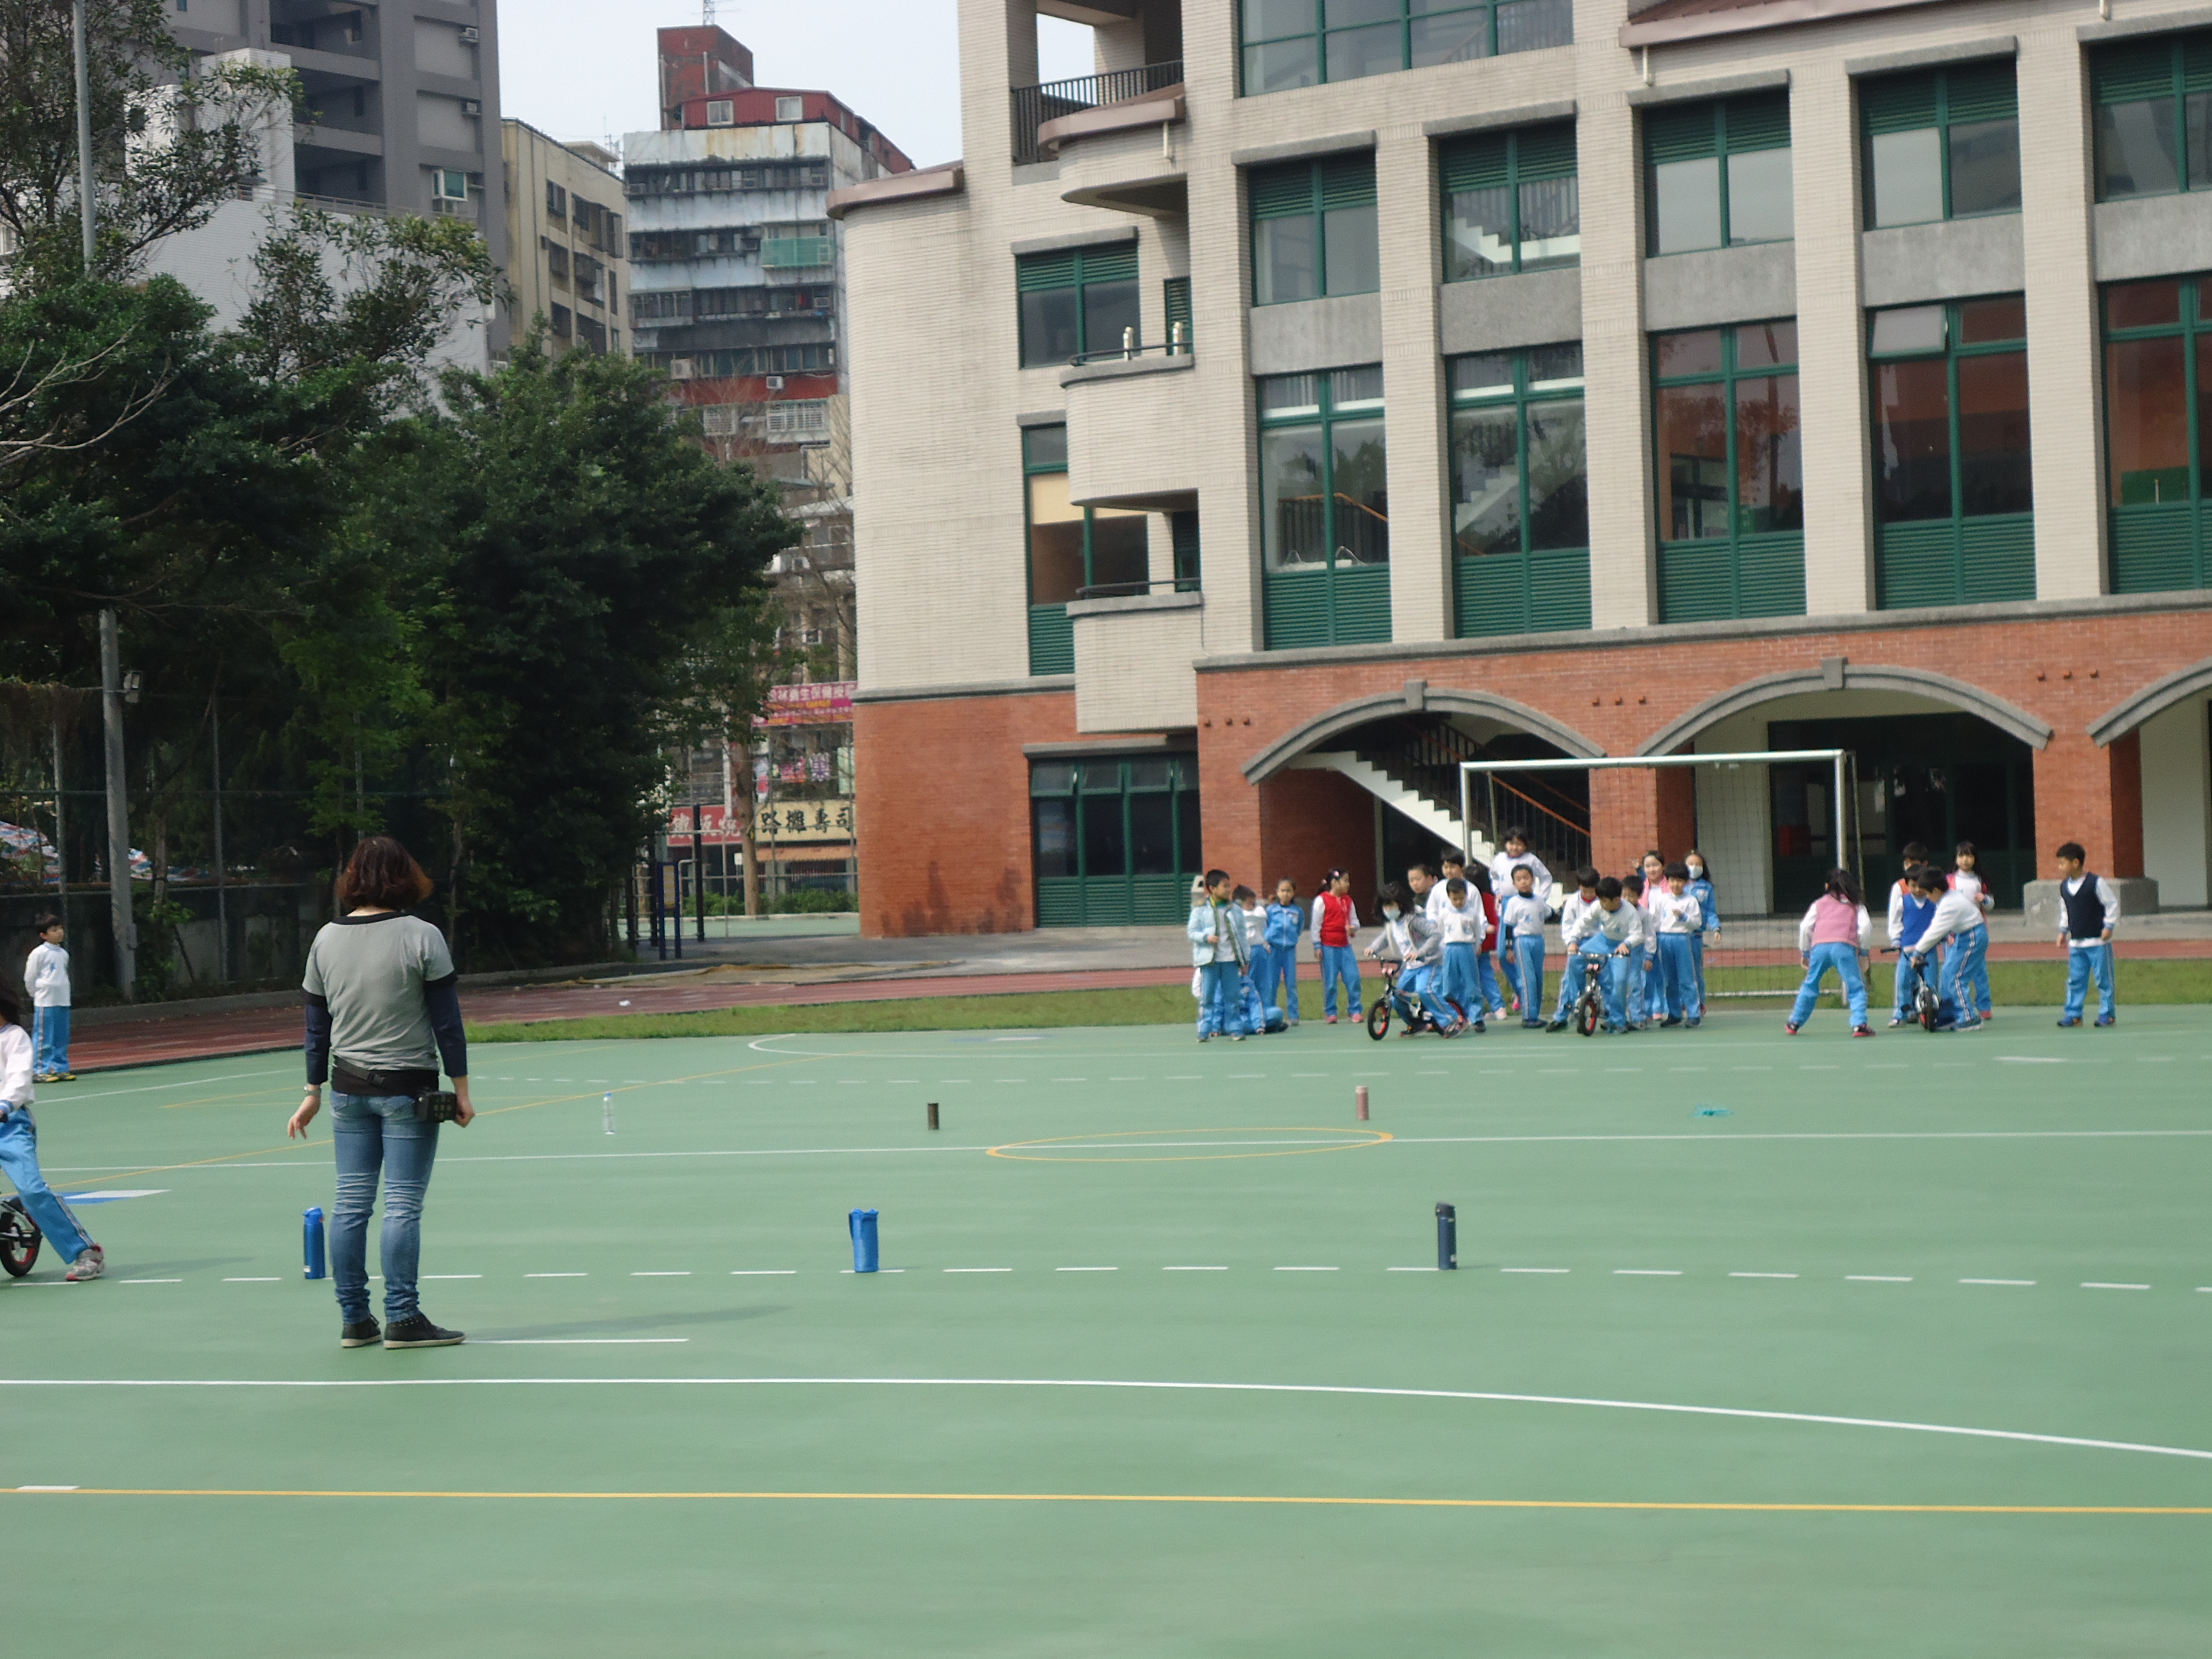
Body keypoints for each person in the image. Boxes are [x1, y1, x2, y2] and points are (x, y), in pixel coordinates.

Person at [287, 836, 475, 1349]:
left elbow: (316, 1027)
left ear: (351, 879)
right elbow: (448, 1024)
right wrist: (461, 1089)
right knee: (402, 1205)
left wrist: (312, 1090)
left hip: (348, 1091)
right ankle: (403, 1317)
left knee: (350, 1205)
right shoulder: (422, 936)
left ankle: (355, 1319)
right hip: (408, 1091)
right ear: (406, 877)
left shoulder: (325, 939)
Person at [0, 987, 103, 1280]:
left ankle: (86, 1252)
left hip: (10, 1125)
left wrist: (5, 1105)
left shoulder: (14, 1037)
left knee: (32, 1190)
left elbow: (20, 1078)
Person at [1787, 868, 1874, 1037]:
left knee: (1810, 984)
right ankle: (1859, 1024)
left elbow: (1805, 927)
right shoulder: (1857, 905)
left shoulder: (1819, 904)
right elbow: (1865, 928)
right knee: (1856, 986)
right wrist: (1863, 952)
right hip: (1844, 947)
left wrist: (1805, 952)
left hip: (1819, 948)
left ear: (1827, 886)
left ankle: (1794, 1022)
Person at [1366, 883, 1458, 1033]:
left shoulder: (1414, 921)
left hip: (1429, 963)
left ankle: (1451, 1020)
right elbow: (1385, 938)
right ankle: (1415, 1023)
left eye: (1391, 905)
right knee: (1398, 998)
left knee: (1424, 990)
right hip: (1411, 966)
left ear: (1400, 904)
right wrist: (1373, 948)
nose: (1388, 909)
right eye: (1385, 906)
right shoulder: (1392, 924)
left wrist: (1421, 952)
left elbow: (1435, 935)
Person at [1553, 876, 1639, 1033]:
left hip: (1620, 946)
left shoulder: (1630, 912)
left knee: (1619, 982)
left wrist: (1626, 944)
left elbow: (1638, 934)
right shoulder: (1598, 906)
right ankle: (1578, 998)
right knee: (1576, 957)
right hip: (1602, 941)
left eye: (1605, 901)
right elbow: (1582, 923)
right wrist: (1573, 941)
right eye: (1600, 900)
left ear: (1616, 900)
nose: (1602, 904)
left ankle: (1617, 1020)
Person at [2053, 841, 2120, 1028]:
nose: (2059, 868)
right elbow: (2066, 911)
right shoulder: (2064, 887)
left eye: (2062, 863)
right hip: (2077, 944)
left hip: (2098, 943)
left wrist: (2108, 926)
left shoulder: (2095, 883)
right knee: (2075, 980)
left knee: (2104, 980)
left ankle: (2107, 1014)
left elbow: (2111, 904)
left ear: (2076, 863)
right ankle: (2074, 1014)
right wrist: (2063, 931)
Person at [1487, 830, 1550, 1015]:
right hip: (1508, 905)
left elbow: (1546, 877)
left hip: (1526, 905)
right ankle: (1521, 989)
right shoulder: (1499, 859)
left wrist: (1541, 899)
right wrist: (1497, 891)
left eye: (1519, 844)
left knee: (1527, 954)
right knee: (1502, 953)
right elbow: (1493, 876)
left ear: (1525, 845)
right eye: (1511, 843)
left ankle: (1530, 998)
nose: (1514, 847)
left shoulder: (1531, 860)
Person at [1186, 869, 1248, 1043]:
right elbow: (1192, 932)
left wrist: (1245, 960)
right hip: (1210, 961)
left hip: (1230, 960)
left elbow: (1242, 936)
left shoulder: (1235, 909)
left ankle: (1235, 1029)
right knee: (1208, 997)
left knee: (1232, 997)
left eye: (1229, 886)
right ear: (1212, 888)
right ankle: (1204, 1030)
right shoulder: (1200, 909)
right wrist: (1206, 938)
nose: (1229, 890)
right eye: (1225, 886)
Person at [1429, 856, 1484, 1022]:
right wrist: (1442, 946)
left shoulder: (1472, 913)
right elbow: (1440, 930)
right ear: (1449, 897)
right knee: (1449, 984)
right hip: (1450, 948)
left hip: (1467, 948)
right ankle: (1456, 1015)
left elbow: (1478, 930)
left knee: (1471, 984)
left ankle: (1476, 1017)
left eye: (1461, 898)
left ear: (1466, 895)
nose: (1459, 902)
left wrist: (1478, 944)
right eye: (1455, 899)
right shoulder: (1445, 913)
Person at [1947, 842, 1997, 1022]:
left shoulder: (1979, 880)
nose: (1965, 860)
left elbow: (1990, 905)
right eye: (1961, 856)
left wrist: (1985, 899)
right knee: (1952, 970)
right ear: (1956, 859)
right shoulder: (1950, 881)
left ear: (1975, 859)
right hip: (1954, 933)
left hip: (1976, 931)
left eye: (1969, 856)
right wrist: (1947, 934)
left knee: (1979, 970)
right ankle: (1954, 1006)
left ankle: (1984, 1006)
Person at [1650, 862, 1704, 1028]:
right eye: (1672, 880)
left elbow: (1697, 923)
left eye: (1679, 881)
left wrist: (1684, 918)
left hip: (1682, 939)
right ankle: (1674, 1013)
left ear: (1686, 882)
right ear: (1667, 881)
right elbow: (1654, 920)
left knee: (1687, 979)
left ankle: (1694, 1014)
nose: (1675, 884)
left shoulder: (1691, 901)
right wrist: (1653, 938)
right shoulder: (1661, 900)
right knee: (1669, 980)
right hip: (1664, 939)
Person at [1885, 862, 1937, 1027]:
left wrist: (1945, 936)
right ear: (1907, 885)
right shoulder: (1904, 901)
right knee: (1904, 982)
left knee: (1931, 983)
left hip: (1928, 950)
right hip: (1907, 950)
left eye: (1920, 886)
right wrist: (1896, 939)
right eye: (1913, 886)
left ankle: (1932, 1011)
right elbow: (1896, 921)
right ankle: (1901, 1013)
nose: (1917, 890)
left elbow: (1940, 923)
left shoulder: (1933, 902)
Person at [1499, 864, 1549, 1029]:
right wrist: (1509, 949)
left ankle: (1536, 1014)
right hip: (1522, 941)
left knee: (1538, 977)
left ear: (1533, 880)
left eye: (1526, 878)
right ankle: (1528, 1016)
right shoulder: (1514, 902)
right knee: (1528, 979)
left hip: (1538, 940)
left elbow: (1549, 914)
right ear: (1514, 884)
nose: (1523, 882)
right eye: (1519, 879)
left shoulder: (1539, 900)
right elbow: (1508, 927)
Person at [24, 914, 73, 1084]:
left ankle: (61, 1068)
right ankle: (40, 1069)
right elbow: (30, 977)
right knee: (44, 1038)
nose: (59, 932)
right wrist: (36, 995)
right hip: (46, 1002)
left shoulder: (63, 954)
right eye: (54, 930)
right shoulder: (39, 953)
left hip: (63, 1000)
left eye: (60, 928)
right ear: (44, 935)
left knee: (61, 1037)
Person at [1549, 866, 1601, 1025]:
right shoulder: (1573, 902)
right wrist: (1571, 943)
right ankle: (1563, 1015)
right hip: (1579, 943)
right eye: (1586, 890)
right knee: (1569, 978)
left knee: (1607, 977)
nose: (1589, 894)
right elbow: (1567, 926)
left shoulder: (1603, 901)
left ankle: (1611, 1016)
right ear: (1579, 886)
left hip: (1600, 942)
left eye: (1592, 890)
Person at [1313, 868, 1362, 1024]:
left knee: (1353, 978)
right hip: (1328, 947)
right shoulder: (1322, 900)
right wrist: (1317, 945)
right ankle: (1331, 1011)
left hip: (1345, 946)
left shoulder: (1348, 901)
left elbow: (1355, 921)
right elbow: (1316, 925)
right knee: (1330, 982)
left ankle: (1355, 1010)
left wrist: (1353, 928)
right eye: (1345, 880)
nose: (1348, 884)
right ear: (1334, 883)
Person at [1262, 877, 1304, 1025]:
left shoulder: (1297, 911)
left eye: (1288, 891)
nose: (1285, 894)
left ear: (1293, 893)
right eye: (1282, 891)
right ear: (1277, 892)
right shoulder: (1271, 910)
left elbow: (1299, 929)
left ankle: (1294, 1015)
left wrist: (1292, 939)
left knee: (1291, 983)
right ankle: (1270, 1013)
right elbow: (1265, 927)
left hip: (1289, 951)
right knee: (1272, 983)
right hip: (1274, 950)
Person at [1683, 851, 1718, 1017]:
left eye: (1698, 864)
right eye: (1691, 864)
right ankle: (1682, 1003)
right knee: (1680, 972)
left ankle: (1700, 1002)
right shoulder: (1679, 885)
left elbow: (1711, 911)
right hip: (1679, 935)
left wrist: (1716, 928)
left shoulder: (1706, 888)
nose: (1694, 867)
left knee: (1696, 971)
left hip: (1696, 935)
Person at [1621, 871, 1654, 1029]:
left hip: (1636, 952)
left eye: (1631, 896)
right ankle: (1616, 1017)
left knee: (1635, 984)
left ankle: (1637, 1017)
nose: (1627, 899)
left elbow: (1650, 936)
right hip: (1618, 952)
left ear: (1639, 896)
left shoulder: (1644, 914)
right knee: (1617, 983)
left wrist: (1649, 956)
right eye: (1624, 895)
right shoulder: (1617, 911)